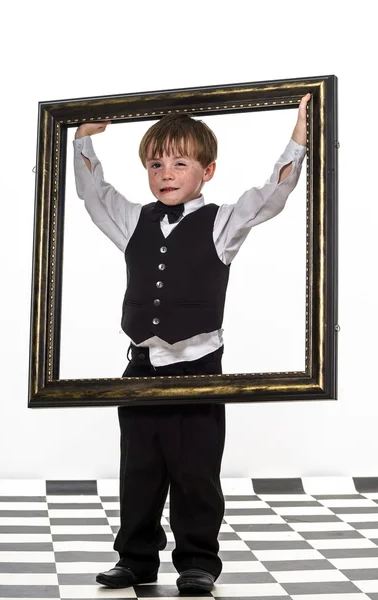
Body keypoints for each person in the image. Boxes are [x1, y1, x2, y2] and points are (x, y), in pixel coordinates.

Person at [73, 93, 309, 593]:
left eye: (180, 163)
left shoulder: (223, 222)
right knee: (139, 468)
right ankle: (135, 559)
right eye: (156, 164)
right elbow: (94, 194)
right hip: (140, 368)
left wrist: (300, 136)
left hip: (199, 366)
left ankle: (198, 561)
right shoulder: (133, 219)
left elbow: (273, 193)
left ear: (208, 170)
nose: (166, 173)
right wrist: (83, 138)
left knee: (195, 471)